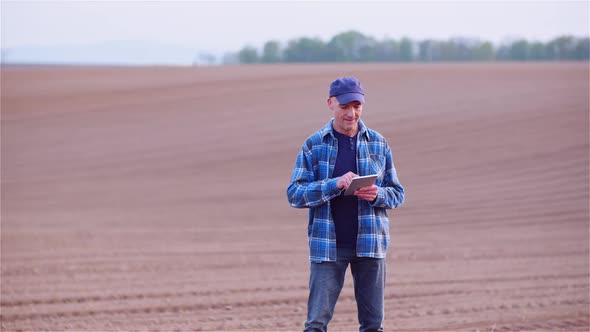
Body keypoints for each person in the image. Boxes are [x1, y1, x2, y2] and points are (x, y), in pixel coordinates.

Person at [286, 77, 405, 332]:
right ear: (330, 104)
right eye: (344, 107)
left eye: (356, 106)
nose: (351, 113)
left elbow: (397, 193)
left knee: (373, 326)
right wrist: (334, 185)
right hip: (328, 246)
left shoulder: (378, 143)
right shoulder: (313, 145)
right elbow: (295, 193)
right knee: (316, 324)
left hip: (370, 245)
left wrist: (377, 195)